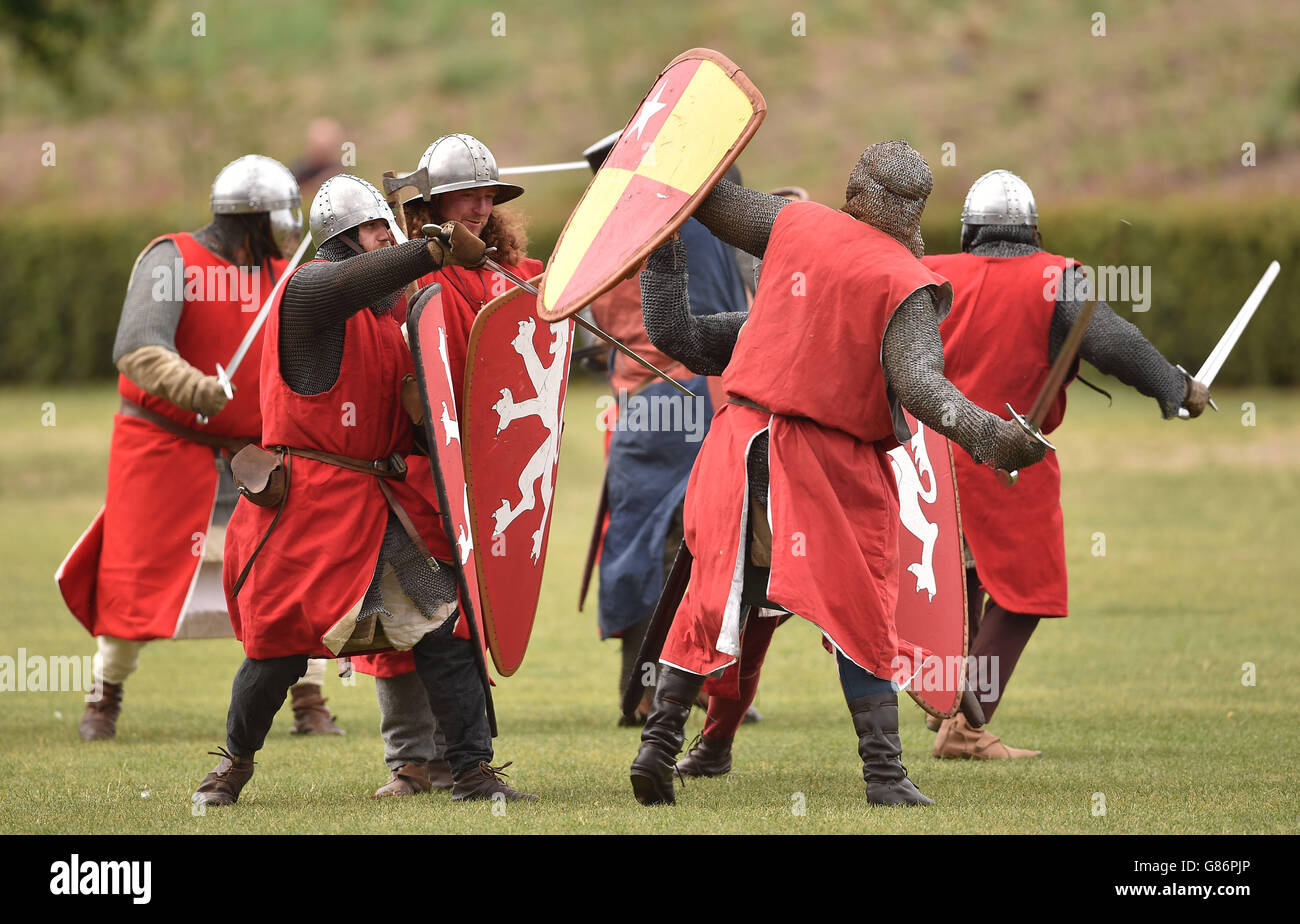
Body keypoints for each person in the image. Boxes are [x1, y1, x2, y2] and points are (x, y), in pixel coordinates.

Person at [629, 141, 1049, 807]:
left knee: (714, 598)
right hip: (820, 468)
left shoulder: (795, 224)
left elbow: (701, 209)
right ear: (915, 211)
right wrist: (995, 439)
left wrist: (662, 210)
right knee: (860, 613)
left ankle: (658, 745)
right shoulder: (900, 278)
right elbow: (922, 389)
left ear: (855, 187)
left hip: (736, 453)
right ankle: (884, 776)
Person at [192, 173, 535, 806]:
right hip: (309, 508)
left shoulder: (395, 309)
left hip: (382, 503)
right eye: (378, 231)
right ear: (344, 237)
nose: (389, 241)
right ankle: (232, 767)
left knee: (444, 628)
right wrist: (433, 249)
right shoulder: (310, 292)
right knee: (277, 652)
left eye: (391, 231)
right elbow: (354, 283)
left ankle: (472, 772)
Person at [919, 169, 1210, 758]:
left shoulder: (933, 272)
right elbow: (1113, 343)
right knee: (1025, 591)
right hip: (1008, 461)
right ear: (1032, 229)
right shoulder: (1053, 278)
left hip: (926, 459)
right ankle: (966, 723)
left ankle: (950, 705)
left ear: (970, 229)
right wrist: (1174, 387)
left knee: (962, 580)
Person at [58, 155, 343, 740]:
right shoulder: (172, 260)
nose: (287, 228)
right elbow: (138, 350)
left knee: (292, 570)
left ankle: (309, 699)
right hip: (166, 444)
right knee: (134, 571)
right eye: (277, 217)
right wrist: (195, 388)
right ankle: (104, 696)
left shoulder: (280, 272)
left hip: (258, 452)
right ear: (250, 219)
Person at [347, 134, 545, 798]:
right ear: (433, 202)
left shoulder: (507, 272)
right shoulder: (405, 270)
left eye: (490, 195)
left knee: (458, 619)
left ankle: (454, 760)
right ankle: (414, 763)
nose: (483, 206)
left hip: (479, 474)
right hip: (406, 468)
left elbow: (544, 319)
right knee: (403, 622)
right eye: (469, 195)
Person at [580, 131, 752, 725]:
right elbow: (715, 318)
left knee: (643, 539)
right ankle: (674, 688)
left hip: (636, 403)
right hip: (687, 397)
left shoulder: (607, 233)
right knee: (686, 542)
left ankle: (647, 687)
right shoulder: (680, 223)